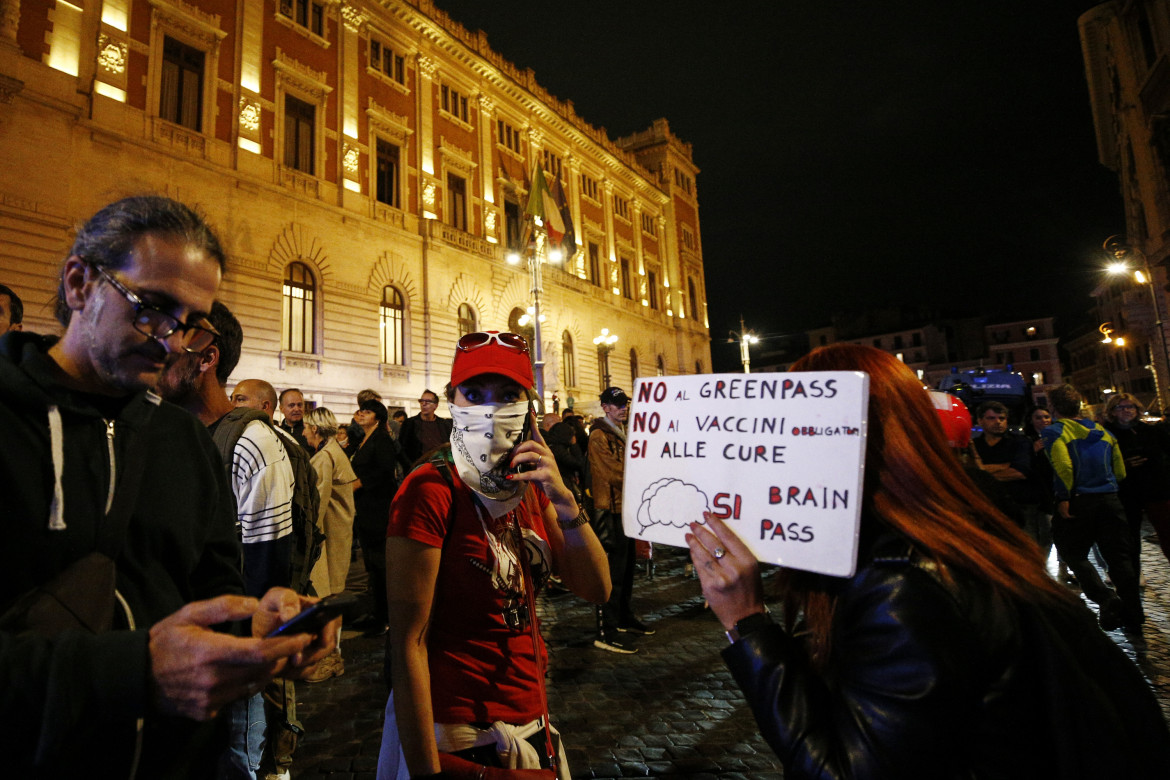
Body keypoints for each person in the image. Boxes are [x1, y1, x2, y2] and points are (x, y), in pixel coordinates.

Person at [686, 344, 1170, 777]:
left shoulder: (903, 583)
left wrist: (747, 622)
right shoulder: (953, 529)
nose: (771, 451)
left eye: (786, 429)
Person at [0, 195, 335, 778]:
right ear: (79, 283)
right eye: (151, 308)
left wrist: (260, 622)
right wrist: (135, 671)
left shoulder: (182, 441)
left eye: (191, 321)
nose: (171, 339)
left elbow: (212, 593)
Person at [377, 330, 610, 780]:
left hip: (530, 723)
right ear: (452, 402)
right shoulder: (429, 488)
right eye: (475, 393)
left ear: (529, 408)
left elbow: (596, 588)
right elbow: (409, 643)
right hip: (457, 734)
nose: (490, 408)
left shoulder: (531, 484)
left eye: (507, 395)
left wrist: (562, 498)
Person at [157, 305, 300, 780]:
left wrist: (242, 662)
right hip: (160, 656)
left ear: (206, 356)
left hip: (226, 661)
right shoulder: (154, 428)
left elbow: (266, 565)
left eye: (171, 332)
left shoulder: (252, 442)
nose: (154, 344)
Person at [1042, 383, 1141, 630]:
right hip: (1110, 500)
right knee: (1119, 560)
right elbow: (1119, 471)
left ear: (1053, 407)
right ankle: (1134, 616)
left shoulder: (1055, 431)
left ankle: (1106, 599)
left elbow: (1063, 467)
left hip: (1079, 501)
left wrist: (1064, 497)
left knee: (1072, 553)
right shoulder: (1104, 432)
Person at [589, 386, 652, 653]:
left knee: (626, 570)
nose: (623, 408)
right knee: (611, 572)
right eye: (617, 405)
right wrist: (645, 476)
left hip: (625, 509)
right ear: (605, 407)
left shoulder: (625, 433)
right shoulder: (598, 435)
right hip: (607, 510)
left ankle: (624, 618)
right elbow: (613, 472)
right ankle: (606, 630)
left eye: (624, 403)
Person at [302, 406, 358, 683]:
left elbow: (318, 501)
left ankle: (329, 658)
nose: (303, 432)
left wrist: (308, 536)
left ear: (314, 429)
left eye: (305, 427)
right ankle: (331, 656)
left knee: (327, 597)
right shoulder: (333, 450)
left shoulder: (324, 457)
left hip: (329, 537)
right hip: (337, 533)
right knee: (331, 596)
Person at [1101, 393, 1170, 571]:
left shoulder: (1151, 431)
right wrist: (1123, 465)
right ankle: (1133, 575)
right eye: (1121, 407)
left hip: (1156, 489)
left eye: (1130, 407)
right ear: (1112, 412)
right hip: (1126, 493)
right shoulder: (1106, 435)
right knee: (1129, 539)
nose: (1126, 411)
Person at [350, 398, 400, 637]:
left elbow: (384, 471)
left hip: (378, 509)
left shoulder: (381, 440)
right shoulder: (364, 439)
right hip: (366, 509)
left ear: (377, 417)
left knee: (380, 564)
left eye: (366, 411)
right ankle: (375, 611)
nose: (361, 414)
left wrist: (359, 484)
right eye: (361, 410)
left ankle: (385, 617)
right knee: (371, 564)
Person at [400, 388, 454, 463]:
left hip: (440, 466)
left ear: (435, 406)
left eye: (427, 401)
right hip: (418, 467)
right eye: (421, 401)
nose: (423, 404)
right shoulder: (409, 423)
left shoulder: (444, 425)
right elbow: (402, 449)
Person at [279, 387, 313, 453]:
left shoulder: (312, 432)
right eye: (291, 405)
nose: (297, 409)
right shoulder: (277, 433)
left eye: (300, 405)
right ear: (281, 408)